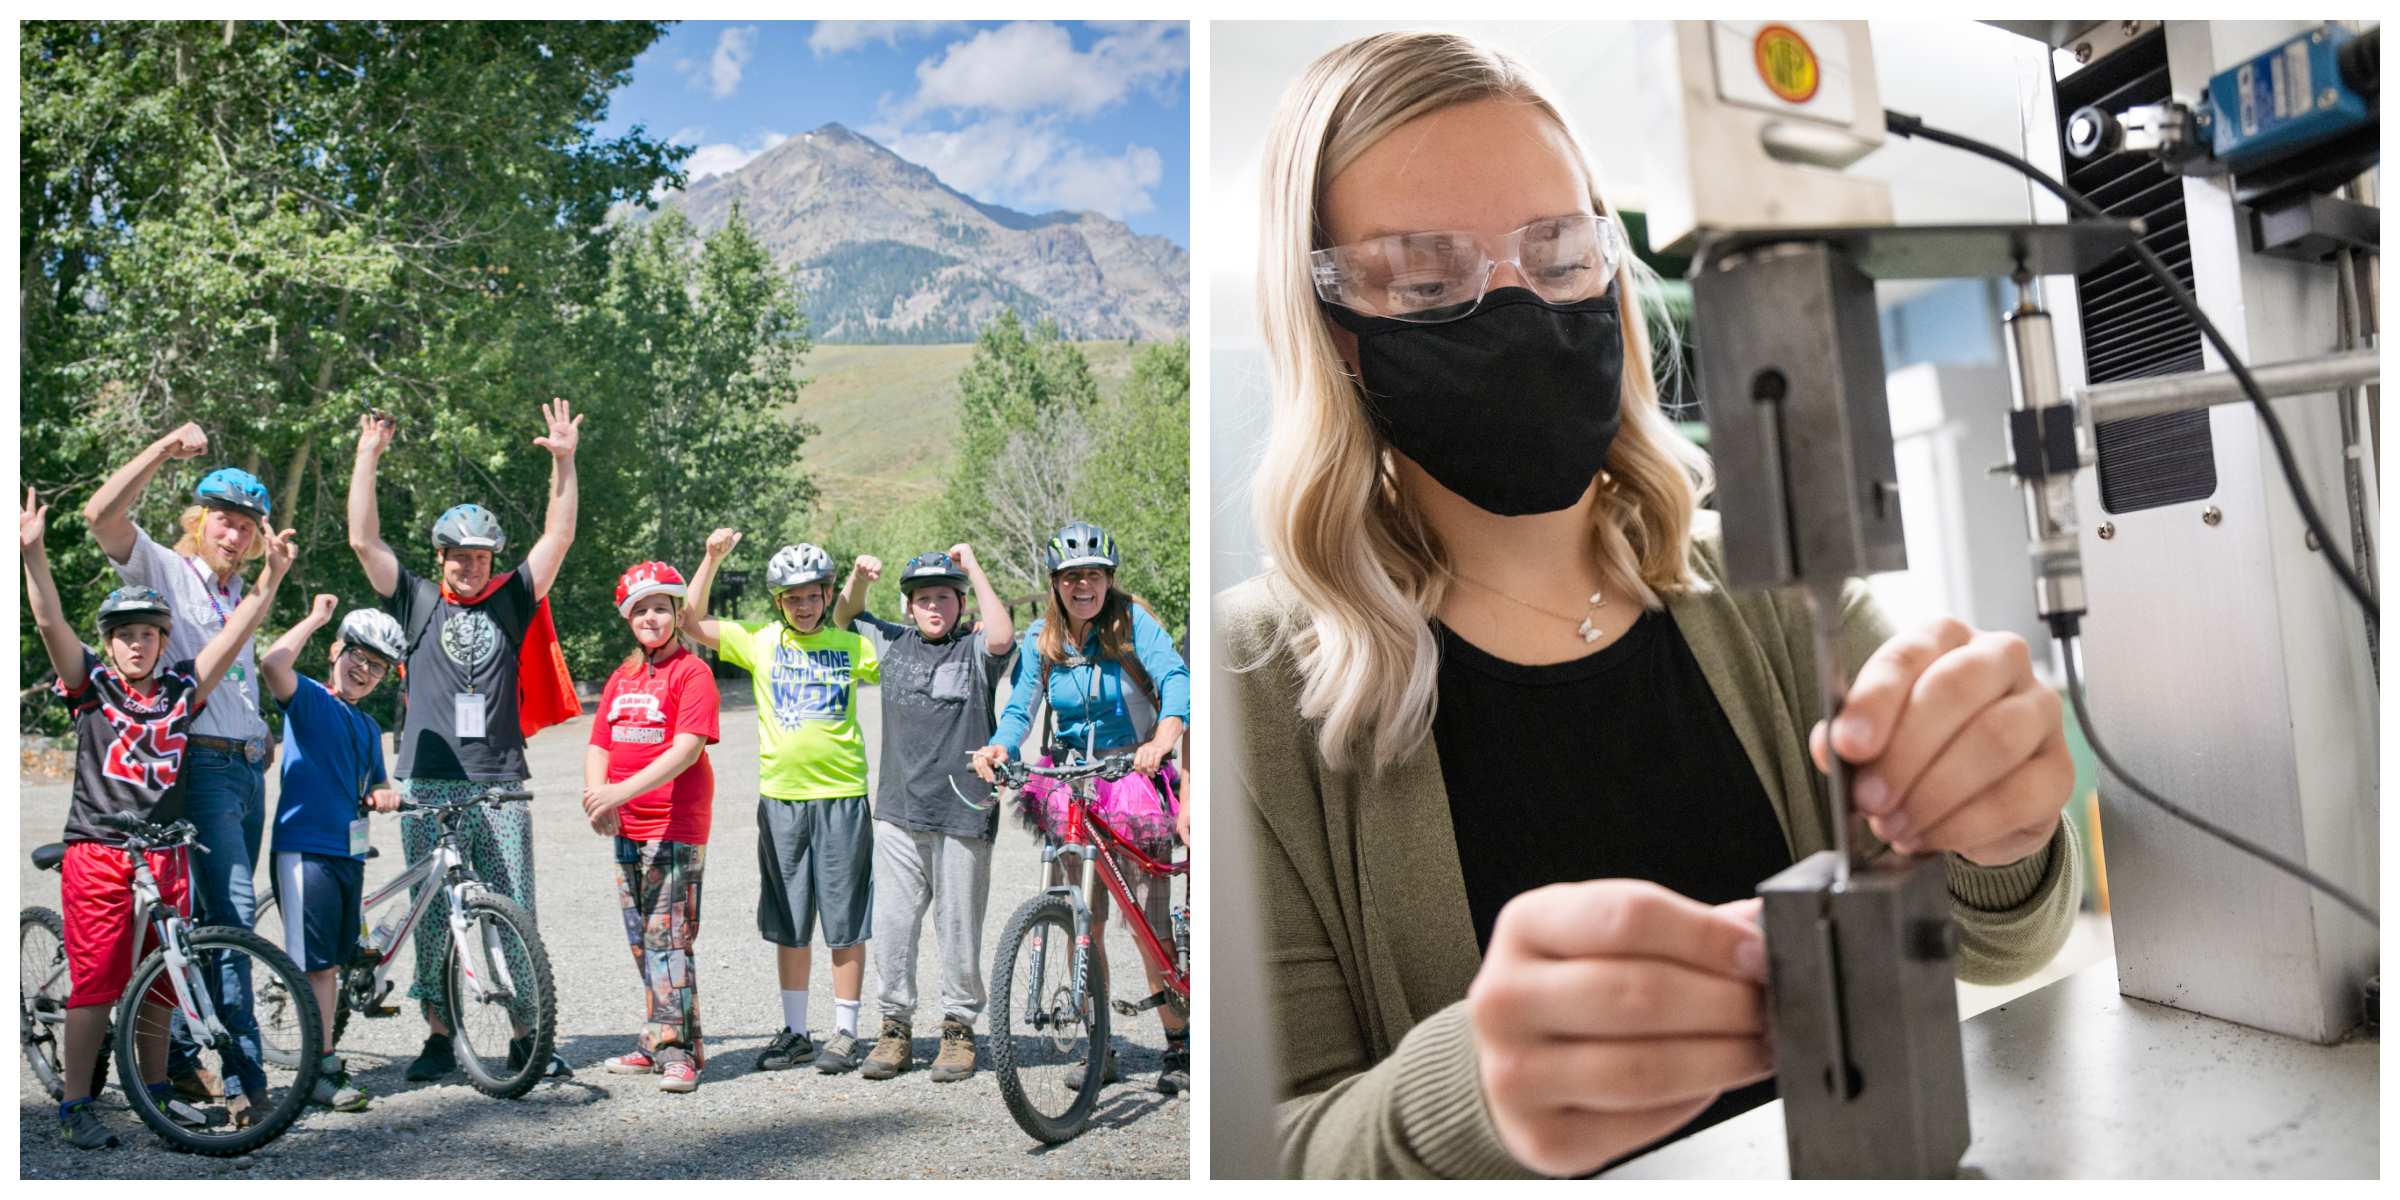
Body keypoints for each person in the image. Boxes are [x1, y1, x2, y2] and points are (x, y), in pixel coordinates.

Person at [1216, 32, 2082, 1178]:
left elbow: (1998, 933)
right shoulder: (1251, 691)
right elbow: (1258, 1149)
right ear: (1333, 332)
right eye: (1428, 283)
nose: (1518, 310)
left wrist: (2005, 826)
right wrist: (1471, 1098)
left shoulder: (1771, 593)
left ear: (1611, 269)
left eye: (1559, 252)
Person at [22, 488, 294, 1150]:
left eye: (148, 633)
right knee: (97, 988)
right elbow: (52, 625)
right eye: (124, 635)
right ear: (109, 644)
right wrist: (32, 556)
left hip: (164, 851)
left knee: (160, 984)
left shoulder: (179, 692)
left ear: (164, 639)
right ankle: (76, 1104)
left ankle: (158, 1100)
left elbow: (235, 634)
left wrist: (274, 575)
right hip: (99, 853)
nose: (136, 645)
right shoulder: (91, 686)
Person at [347, 402, 585, 1082]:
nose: (469, 568)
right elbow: (366, 542)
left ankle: (525, 1035)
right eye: (458, 557)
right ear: (441, 558)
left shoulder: (511, 601)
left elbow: (558, 537)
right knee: (432, 918)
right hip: (426, 779)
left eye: (480, 558)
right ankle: (439, 1035)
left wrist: (563, 462)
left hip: (500, 780)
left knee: (513, 911)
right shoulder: (417, 600)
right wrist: (368, 454)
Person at [81, 424, 276, 1105]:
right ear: (199, 521)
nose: (235, 534)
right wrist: (164, 448)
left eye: (248, 525)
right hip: (201, 766)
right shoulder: (165, 567)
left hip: (249, 767)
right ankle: (248, 1079)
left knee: (202, 915)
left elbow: (237, 674)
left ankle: (186, 1056)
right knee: (235, 916)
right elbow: (100, 516)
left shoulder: (240, 589)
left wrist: (260, 731)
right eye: (224, 519)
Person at [971, 521, 1191, 1095]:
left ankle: (1180, 1044)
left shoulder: (1133, 623)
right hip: (1070, 781)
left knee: (1149, 924)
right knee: (1079, 920)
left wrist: (1162, 740)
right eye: (1072, 577)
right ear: (1056, 584)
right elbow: (1021, 707)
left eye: (1093, 575)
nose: (1083, 585)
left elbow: (1176, 683)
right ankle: (1100, 1046)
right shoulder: (1043, 638)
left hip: (1133, 775)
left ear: (1108, 579)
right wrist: (1001, 744)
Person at [682, 530, 882, 1075]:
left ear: (826, 594)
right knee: (790, 919)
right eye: (791, 597)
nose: (802, 604)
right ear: (779, 601)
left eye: (812, 595)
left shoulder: (850, 644)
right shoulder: (761, 640)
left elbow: (904, 662)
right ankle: (795, 1030)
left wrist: (861, 586)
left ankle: (845, 1032)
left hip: (842, 796)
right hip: (781, 800)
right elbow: (691, 622)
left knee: (844, 919)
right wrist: (711, 558)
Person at [831, 545, 1015, 1083]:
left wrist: (975, 563)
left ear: (960, 603)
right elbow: (843, 616)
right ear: (908, 606)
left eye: (944, 597)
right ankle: (894, 1030)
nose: (934, 607)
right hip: (897, 814)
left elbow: (1004, 635)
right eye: (923, 599)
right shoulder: (891, 642)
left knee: (958, 928)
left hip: (963, 813)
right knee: (892, 925)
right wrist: (859, 578)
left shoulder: (978, 648)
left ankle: (958, 1030)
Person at [257, 594, 408, 1114]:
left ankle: (320, 1057)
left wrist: (385, 791)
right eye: (356, 657)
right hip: (305, 849)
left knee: (332, 966)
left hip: (348, 854)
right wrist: (317, 618)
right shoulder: (310, 699)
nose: (363, 671)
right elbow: (272, 663)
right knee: (315, 967)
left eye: (377, 666)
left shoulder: (367, 725)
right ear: (335, 651)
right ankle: (316, 1071)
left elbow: (379, 779)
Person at [585, 561, 721, 1094]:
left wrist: (619, 792)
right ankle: (658, 1037)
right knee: (644, 942)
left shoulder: (693, 673)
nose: (651, 616)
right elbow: (599, 741)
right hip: (628, 827)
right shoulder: (624, 677)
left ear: (676, 614)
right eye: (640, 609)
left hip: (674, 825)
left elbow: (686, 751)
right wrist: (597, 797)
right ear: (628, 618)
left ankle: (679, 1052)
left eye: (661, 607)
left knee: (670, 940)